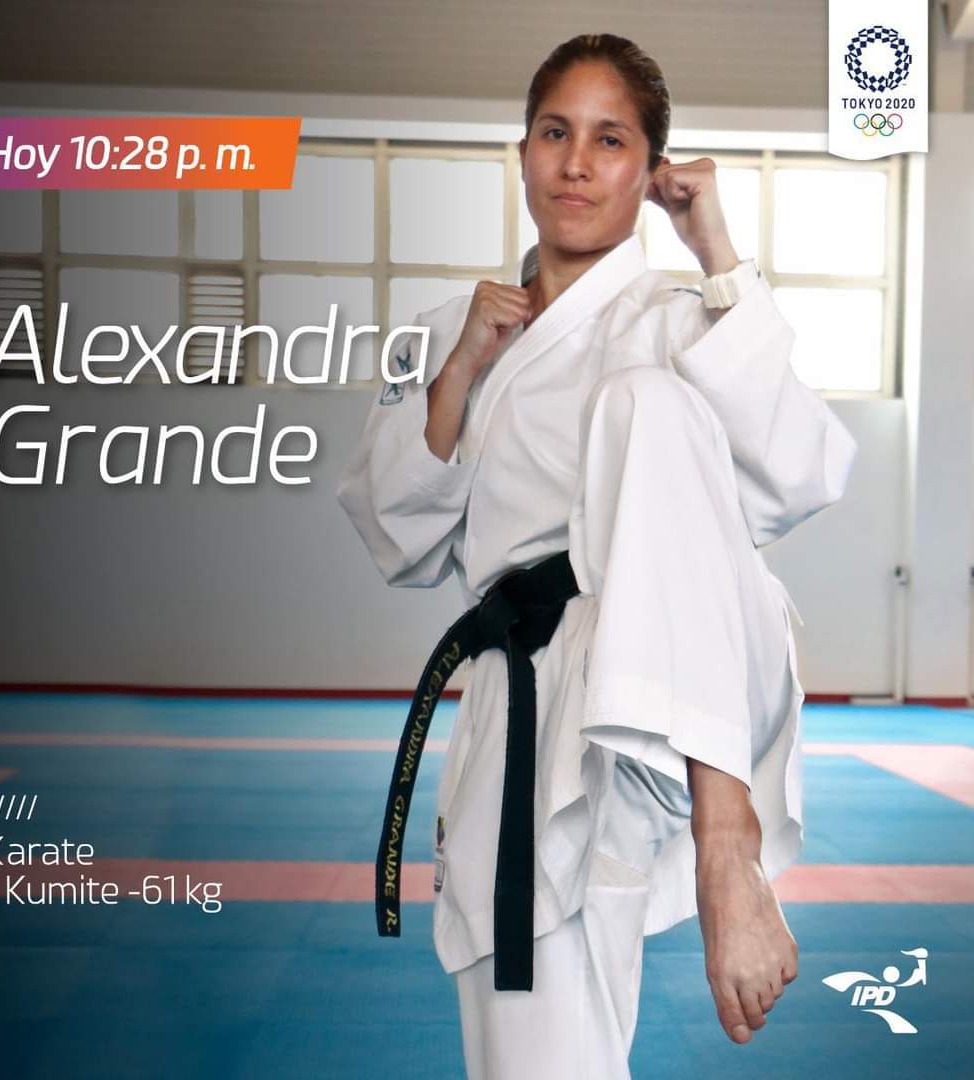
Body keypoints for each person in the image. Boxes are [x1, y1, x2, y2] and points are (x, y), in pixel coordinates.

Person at [337, 32, 857, 1079]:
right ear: (523, 151)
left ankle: (727, 842)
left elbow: (804, 473)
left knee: (646, 403)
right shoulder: (448, 328)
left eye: (610, 140)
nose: (576, 163)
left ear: (651, 169)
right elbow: (397, 532)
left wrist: (717, 251)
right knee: (539, 1053)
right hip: (527, 699)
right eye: (554, 133)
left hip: (683, 679)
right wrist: (462, 369)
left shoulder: (683, 317)